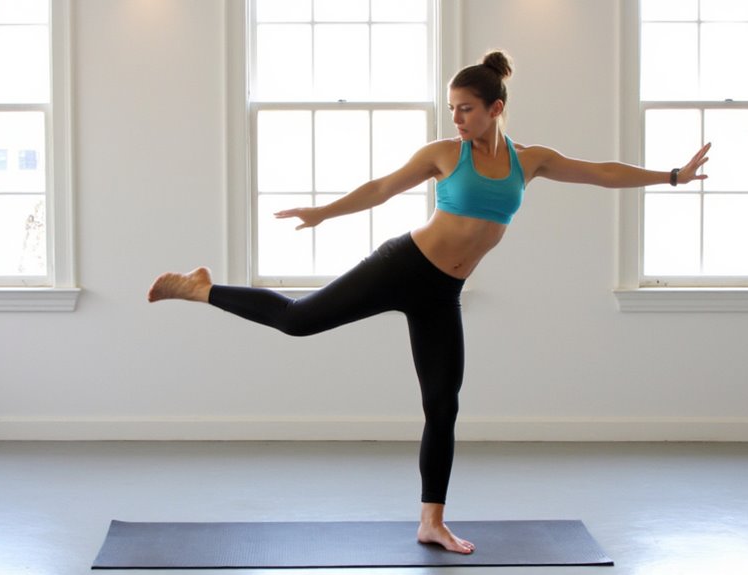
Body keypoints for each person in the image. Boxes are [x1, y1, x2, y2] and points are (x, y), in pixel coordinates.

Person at [147, 50, 710, 554]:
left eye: (465, 108)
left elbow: (600, 172)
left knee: (443, 406)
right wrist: (323, 213)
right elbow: (381, 189)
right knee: (297, 321)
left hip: (444, 292)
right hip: (401, 266)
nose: (456, 118)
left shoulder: (529, 160)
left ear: (495, 108)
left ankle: (431, 522)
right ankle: (202, 287)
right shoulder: (445, 153)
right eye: (452, 109)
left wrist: (673, 176)